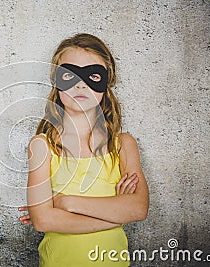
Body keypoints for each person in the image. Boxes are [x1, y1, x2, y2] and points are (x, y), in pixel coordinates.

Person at [18, 33, 149, 266]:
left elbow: (138, 209)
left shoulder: (123, 145)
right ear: (56, 82)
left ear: (106, 84)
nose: (80, 84)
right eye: (70, 75)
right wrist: (115, 216)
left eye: (93, 76)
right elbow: (43, 221)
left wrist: (67, 202)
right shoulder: (42, 146)